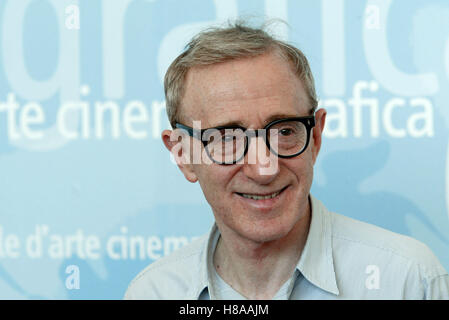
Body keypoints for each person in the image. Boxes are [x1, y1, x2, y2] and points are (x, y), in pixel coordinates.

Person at [124, 21, 449, 300]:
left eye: (283, 131)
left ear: (316, 138)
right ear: (183, 155)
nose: (264, 168)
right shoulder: (154, 292)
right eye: (226, 138)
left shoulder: (408, 280)